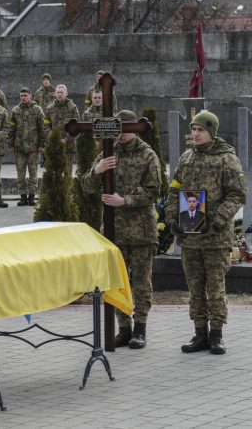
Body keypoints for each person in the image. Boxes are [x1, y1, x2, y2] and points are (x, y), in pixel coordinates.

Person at [166, 111, 246, 355]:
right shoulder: (186, 158)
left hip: (216, 236)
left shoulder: (226, 159)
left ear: (212, 131)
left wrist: (220, 219)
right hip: (190, 236)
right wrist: (172, 217)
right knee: (195, 287)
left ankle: (217, 334)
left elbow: (237, 194)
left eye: (200, 129)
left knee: (215, 287)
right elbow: (174, 189)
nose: (195, 134)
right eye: (193, 129)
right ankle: (199, 333)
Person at [82, 110, 161, 349]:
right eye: (118, 129)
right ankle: (123, 328)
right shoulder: (107, 152)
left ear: (135, 128)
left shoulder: (147, 154)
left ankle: (140, 328)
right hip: (114, 231)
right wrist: (98, 171)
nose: (122, 134)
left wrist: (124, 200)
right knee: (116, 280)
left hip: (141, 231)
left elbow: (154, 190)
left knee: (140, 282)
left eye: (126, 129)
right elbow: (87, 186)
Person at [8, 88, 45, 206]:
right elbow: (12, 128)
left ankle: (32, 197)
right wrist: (11, 144)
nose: (23, 97)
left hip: (33, 148)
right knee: (20, 174)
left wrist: (41, 144)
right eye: (21, 95)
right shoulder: (15, 110)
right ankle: (23, 197)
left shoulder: (37, 109)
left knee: (33, 173)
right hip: (19, 148)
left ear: (30, 96)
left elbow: (42, 129)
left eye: (25, 95)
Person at [43, 84, 80, 168]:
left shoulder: (72, 108)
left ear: (66, 93)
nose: (59, 94)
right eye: (58, 92)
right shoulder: (49, 108)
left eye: (61, 92)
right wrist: (53, 137)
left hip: (68, 147)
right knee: (55, 172)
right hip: (53, 146)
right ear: (55, 94)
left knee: (67, 173)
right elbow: (46, 126)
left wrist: (65, 140)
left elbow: (76, 127)